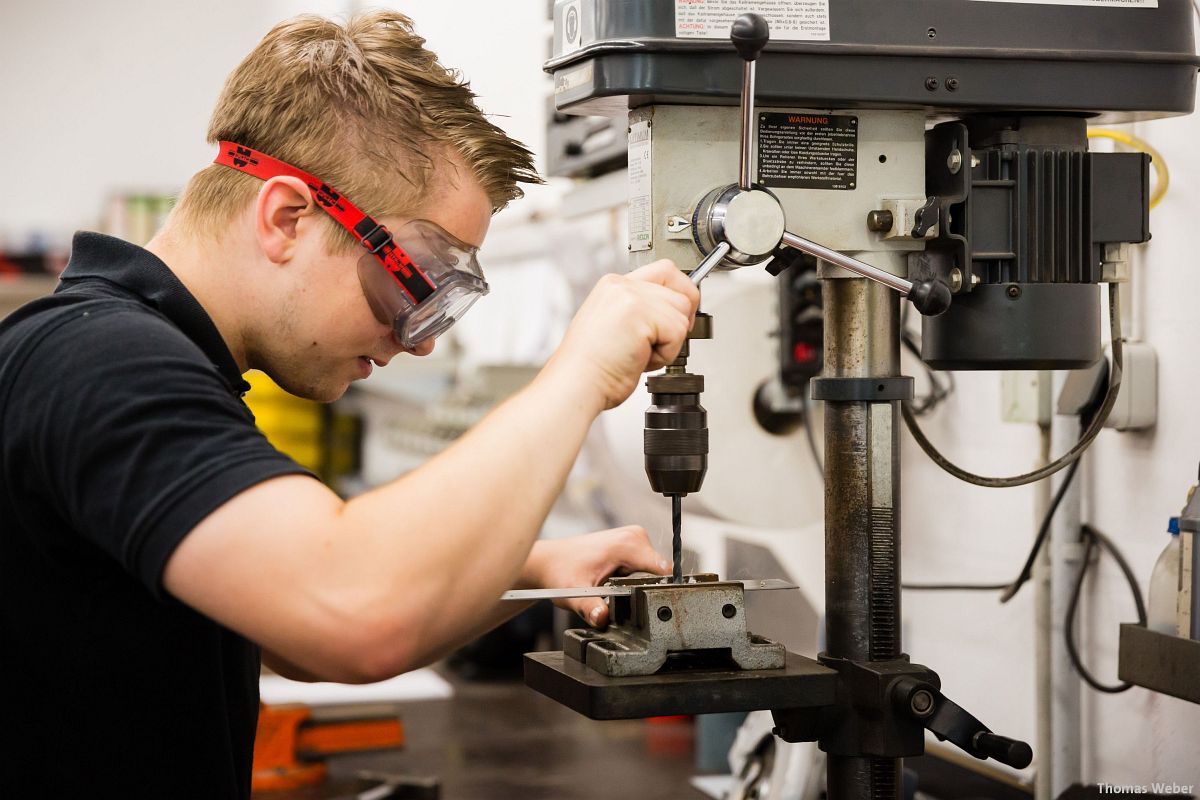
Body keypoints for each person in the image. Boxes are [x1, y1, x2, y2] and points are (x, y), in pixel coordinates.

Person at [0, 11, 699, 799]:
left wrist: (536, 568)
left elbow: (281, 625)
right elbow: (350, 614)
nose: (422, 339)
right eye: (413, 285)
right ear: (287, 217)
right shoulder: (103, 363)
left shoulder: (151, 356)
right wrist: (579, 372)